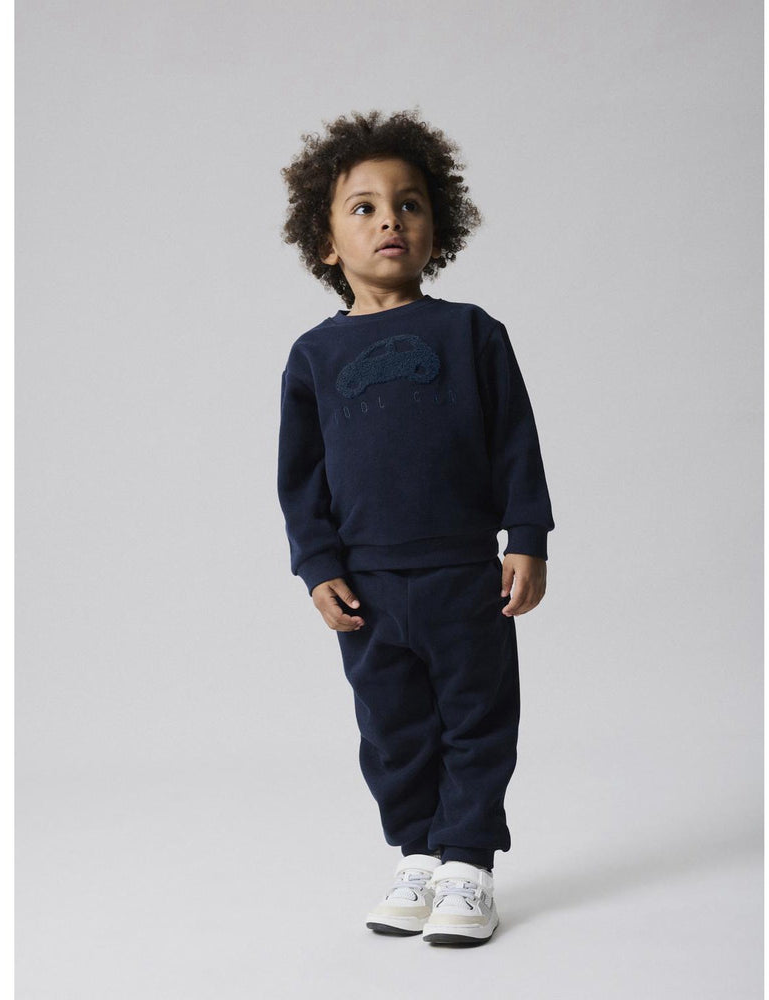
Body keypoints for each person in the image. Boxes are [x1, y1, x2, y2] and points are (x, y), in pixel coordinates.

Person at [277, 109, 555, 946]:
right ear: (325, 243)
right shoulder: (313, 357)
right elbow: (300, 478)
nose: (389, 220)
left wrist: (527, 536)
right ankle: (420, 855)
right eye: (362, 207)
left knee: (477, 720)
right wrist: (317, 564)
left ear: (439, 226)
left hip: (464, 575)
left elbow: (515, 441)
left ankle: (468, 864)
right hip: (367, 586)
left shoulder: (472, 333)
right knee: (392, 732)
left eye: (409, 204)